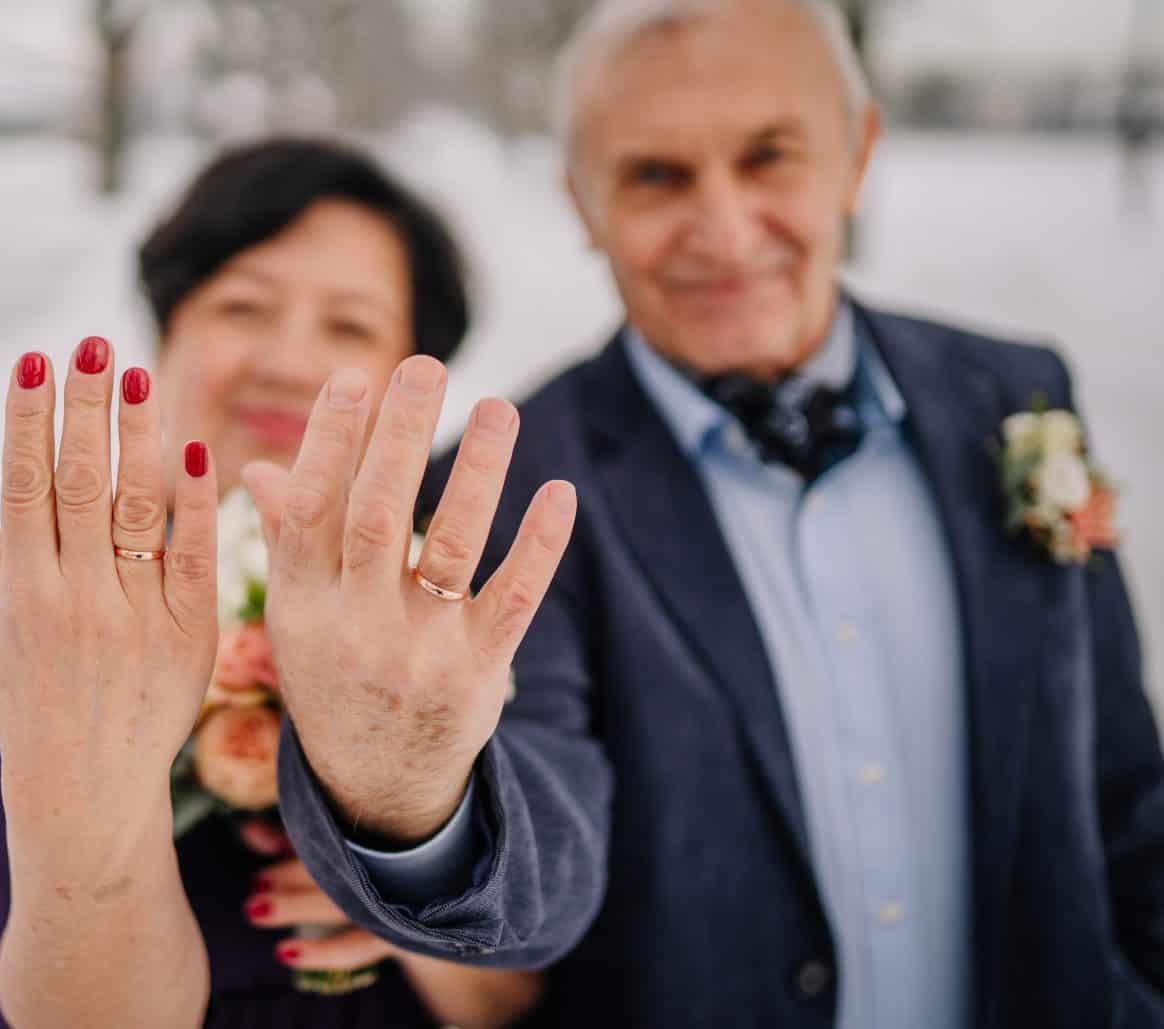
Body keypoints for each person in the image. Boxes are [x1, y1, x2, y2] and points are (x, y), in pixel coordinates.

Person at [262, 1, 1164, 1026]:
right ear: (581, 201)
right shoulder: (502, 484)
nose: (725, 229)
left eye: (770, 157)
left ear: (856, 154)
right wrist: (414, 795)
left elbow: (1122, 786)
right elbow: (541, 873)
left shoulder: (1014, 399)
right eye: (656, 176)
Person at [0, 139, 546, 1028]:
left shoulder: (468, 624)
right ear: (169, 334)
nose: (288, 361)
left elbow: (507, 998)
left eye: (350, 326)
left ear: (417, 374)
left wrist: (408, 884)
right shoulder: (18, 617)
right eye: (244, 305)